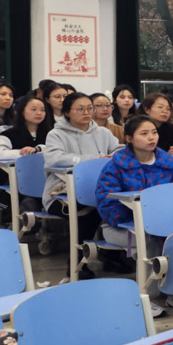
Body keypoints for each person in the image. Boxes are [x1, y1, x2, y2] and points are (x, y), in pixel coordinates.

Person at [94, 115, 173, 312]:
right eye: (144, 134)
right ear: (129, 138)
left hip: (162, 224)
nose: (151, 137)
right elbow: (106, 201)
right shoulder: (116, 164)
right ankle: (146, 298)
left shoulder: (167, 161)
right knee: (149, 238)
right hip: (119, 226)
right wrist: (133, 219)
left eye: (154, 132)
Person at [42, 92, 119, 242]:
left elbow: (119, 150)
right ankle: (80, 254)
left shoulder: (103, 132)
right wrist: (94, 159)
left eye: (90, 108)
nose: (86, 112)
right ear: (67, 112)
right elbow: (54, 158)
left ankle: (110, 252)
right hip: (61, 194)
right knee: (93, 213)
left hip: (99, 189)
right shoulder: (56, 134)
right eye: (80, 109)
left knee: (117, 207)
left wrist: (113, 156)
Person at [0, 95, 51, 164]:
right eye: (33, 109)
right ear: (22, 111)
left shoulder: (50, 133)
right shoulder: (9, 134)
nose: (39, 113)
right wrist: (24, 152)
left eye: (42, 110)